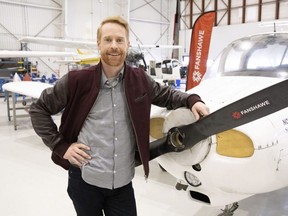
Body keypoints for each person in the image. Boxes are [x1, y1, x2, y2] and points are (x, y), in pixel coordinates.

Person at [29, 15, 210, 216]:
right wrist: (61, 146)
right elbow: (39, 109)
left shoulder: (140, 80)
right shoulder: (76, 81)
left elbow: (167, 95)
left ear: (127, 44)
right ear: (98, 43)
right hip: (85, 180)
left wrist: (193, 100)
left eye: (119, 40)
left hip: (122, 183)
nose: (114, 46)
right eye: (108, 40)